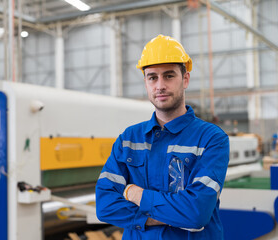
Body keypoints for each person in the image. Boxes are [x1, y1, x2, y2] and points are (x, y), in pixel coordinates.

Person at [95, 34, 229, 239]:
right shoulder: (128, 139)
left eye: (169, 75)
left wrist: (135, 194)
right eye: (152, 77)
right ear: (146, 82)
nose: (160, 86)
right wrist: (170, 214)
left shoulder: (211, 139)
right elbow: (105, 205)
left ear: (185, 79)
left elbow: (196, 213)